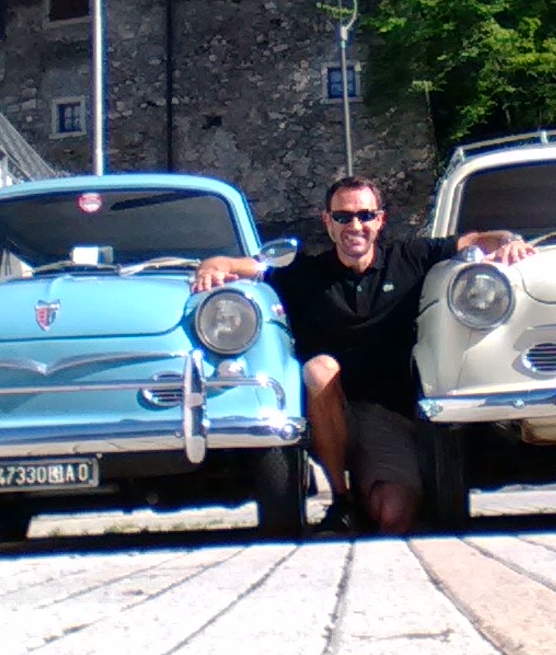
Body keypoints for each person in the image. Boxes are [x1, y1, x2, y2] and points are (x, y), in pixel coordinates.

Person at [191, 176, 534, 535]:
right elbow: (236, 264)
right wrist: (212, 267)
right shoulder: (305, 273)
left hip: (386, 417)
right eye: (343, 217)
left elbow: (477, 239)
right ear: (327, 221)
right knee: (320, 369)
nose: (355, 226)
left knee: (394, 516)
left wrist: (509, 242)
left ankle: (377, 489)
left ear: (380, 220)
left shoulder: (409, 259)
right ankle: (342, 501)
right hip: (327, 408)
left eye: (365, 215)